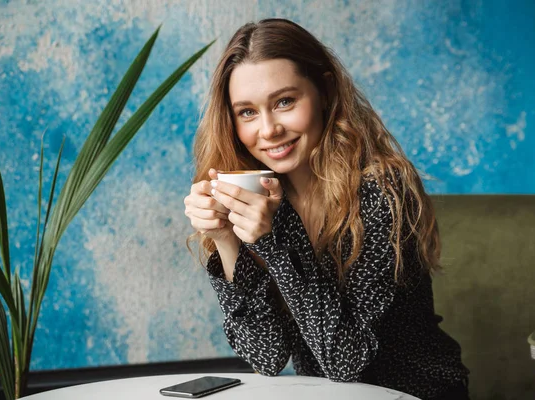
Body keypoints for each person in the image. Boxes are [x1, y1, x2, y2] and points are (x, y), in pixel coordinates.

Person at [183, 18, 470, 400]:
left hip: (414, 390)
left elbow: (346, 362)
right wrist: (226, 240)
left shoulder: (381, 189)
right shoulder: (267, 196)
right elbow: (266, 357)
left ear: (324, 91)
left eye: (284, 102)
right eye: (247, 112)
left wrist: (271, 244)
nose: (268, 130)